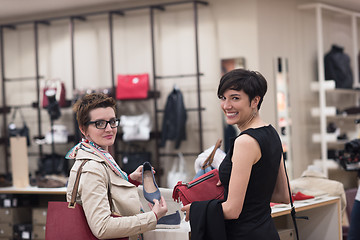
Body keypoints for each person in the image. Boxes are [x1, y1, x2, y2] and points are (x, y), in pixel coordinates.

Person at [181, 68, 290, 240]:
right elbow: (283, 195)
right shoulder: (272, 133)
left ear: (255, 100)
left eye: (235, 98)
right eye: (223, 98)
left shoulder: (245, 142)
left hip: (243, 234)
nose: (226, 105)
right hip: (266, 231)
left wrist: (196, 209)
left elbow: (232, 210)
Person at [66, 93, 167, 240]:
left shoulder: (98, 156)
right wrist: (152, 217)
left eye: (112, 121)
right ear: (83, 129)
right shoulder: (92, 168)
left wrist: (130, 179)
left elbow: (107, 195)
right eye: (99, 123)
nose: (109, 129)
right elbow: (102, 227)